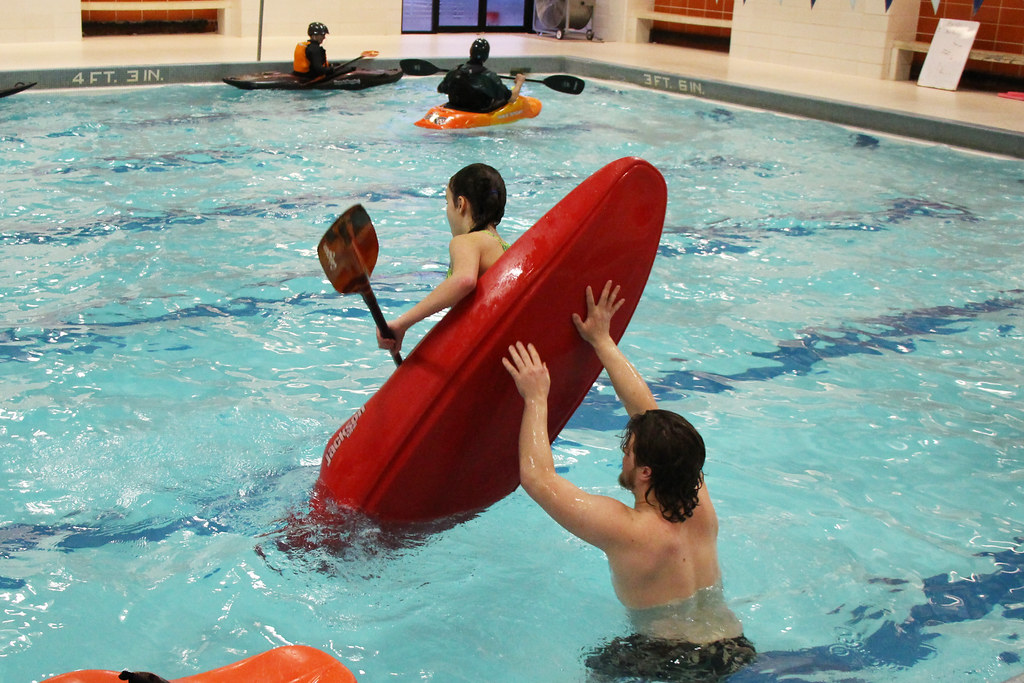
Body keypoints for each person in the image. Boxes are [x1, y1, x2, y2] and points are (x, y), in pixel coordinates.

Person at [502, 281, 756, 681]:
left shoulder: (628, 530)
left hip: (668, 660)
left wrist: (536, 397)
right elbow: (649, 412)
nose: (623, 453)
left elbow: (537, 477)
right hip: (734, 648)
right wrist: (601, 340)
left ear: (645, 472)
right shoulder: (696, 495)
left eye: (629, 449)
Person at [376, 163, 512, 355]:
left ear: (460, 204)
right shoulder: (505, 248)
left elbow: (464, 281)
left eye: (447, 202)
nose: (447, 210)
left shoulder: (466, 242)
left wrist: (402, 323)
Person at [437, 38, 527, 113]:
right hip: (477, 110)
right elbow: (512, 98)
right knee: (505, 97)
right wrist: (519, 82)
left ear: (470, 52)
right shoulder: (489, 76)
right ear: (486, 56)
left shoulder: (455, 70)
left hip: (455, 106)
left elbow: (440, 89)